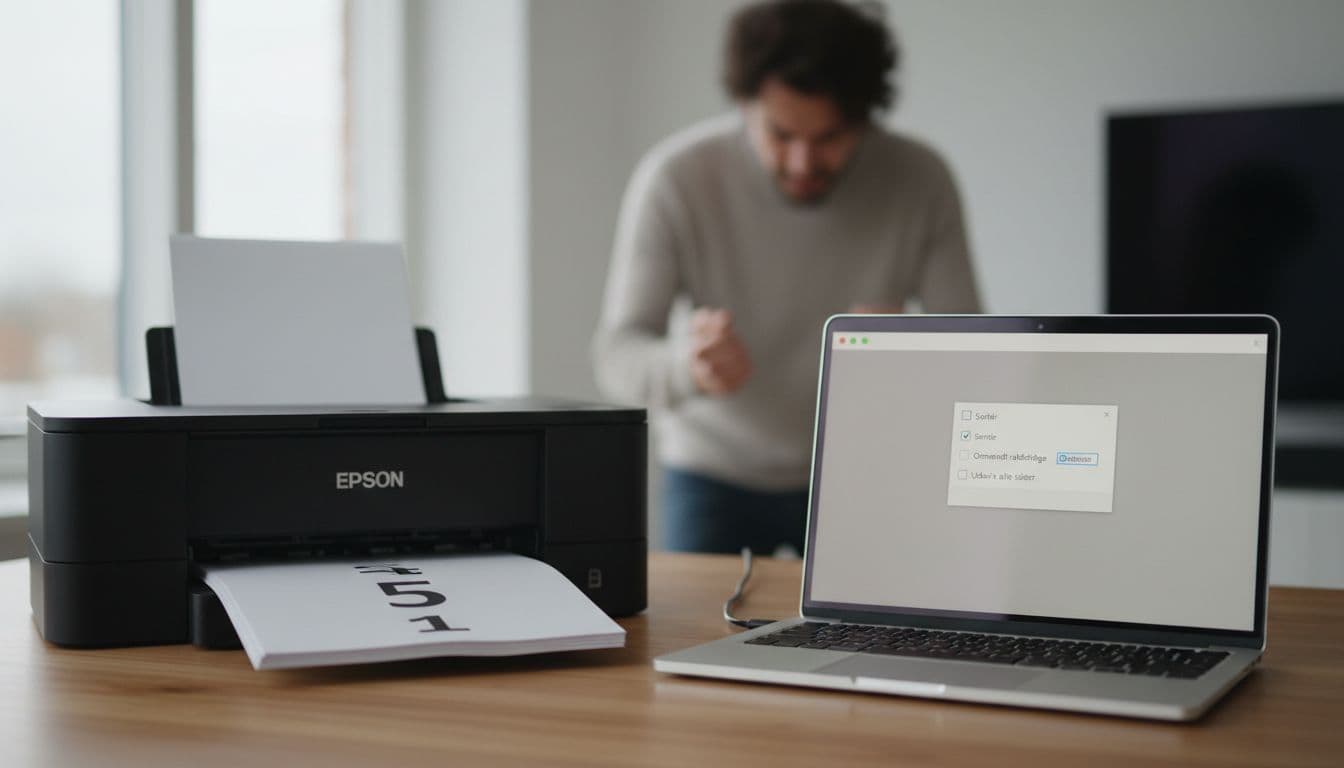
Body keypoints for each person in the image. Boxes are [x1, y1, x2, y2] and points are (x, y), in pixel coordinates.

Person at [592, 0, 981, 555]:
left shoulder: (921, 179)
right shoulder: (676, 179)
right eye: (781, 134)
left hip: (862, 476)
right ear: (744, 103)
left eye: (829, 138)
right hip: (711, 474)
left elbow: (975, 353)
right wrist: (688, 368)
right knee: (687, 635)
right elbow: (617, 352)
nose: (803, 162)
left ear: (868, 117)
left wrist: (916, 354)